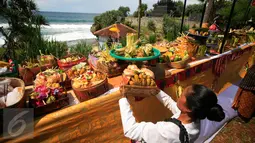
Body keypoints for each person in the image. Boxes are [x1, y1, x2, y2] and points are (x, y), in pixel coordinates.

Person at [119, 84, 225, 143]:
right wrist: (157, 92)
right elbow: (172, 105)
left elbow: (130, 130)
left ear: (189, 108)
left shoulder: (169, 131)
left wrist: (123, 99)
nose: (180, 95)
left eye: (183, 95)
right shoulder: (194, 119)